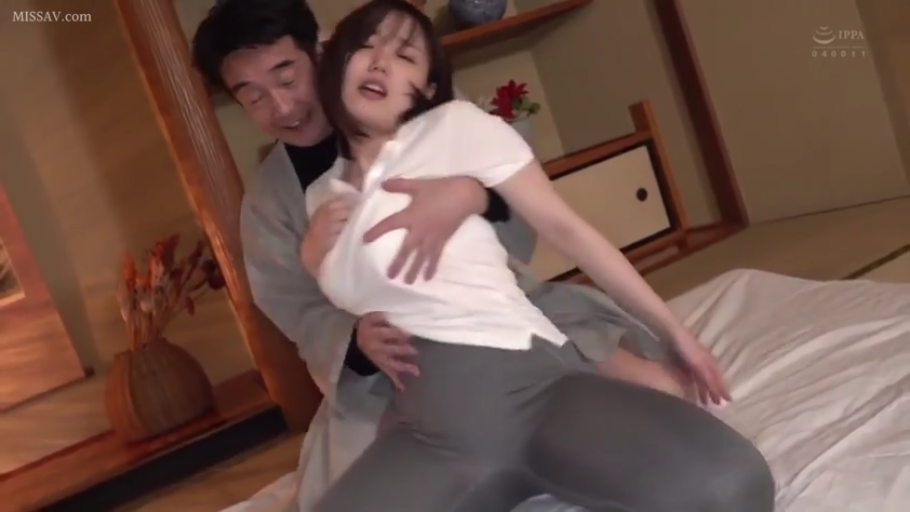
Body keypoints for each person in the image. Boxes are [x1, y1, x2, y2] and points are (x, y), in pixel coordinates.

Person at [191, 1, 770, 511]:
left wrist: (470, 195)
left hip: (498, 320)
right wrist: (354, 335)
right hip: (395, 367)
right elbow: (295, 307)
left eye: (287, 76)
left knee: (646, 403)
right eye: (253, 97)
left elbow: (537, 216)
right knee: (336, 479)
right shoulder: (280, 201)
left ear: (319, 54)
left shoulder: (438, 118)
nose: (282, 106)